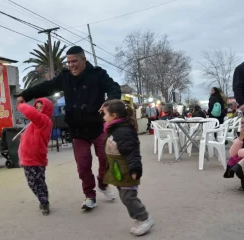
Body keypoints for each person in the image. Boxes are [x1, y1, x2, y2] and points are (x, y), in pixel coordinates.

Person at [17, 46, 121, 210]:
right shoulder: (65, 78)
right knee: (83, 165)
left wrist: (111, 105)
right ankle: (90, 196)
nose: (72, 65)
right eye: (69, 62)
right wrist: (25, 95)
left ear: (83, 60)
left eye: (75, 61)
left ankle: (103, 183)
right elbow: (47, 86)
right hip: (77, 130)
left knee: (106, 159)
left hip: (97, 126)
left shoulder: (98, 74)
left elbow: (114, 88)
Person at [102, 99, 154, 236]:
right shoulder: (115, 129)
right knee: (125, 197)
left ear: (113, 116)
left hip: (127, 171)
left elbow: (132, 152)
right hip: (119, 170)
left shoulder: (123, 131)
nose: (103, 117)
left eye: (105, 114)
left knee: (128, 197)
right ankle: (139, 218)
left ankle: (144, 218)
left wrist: (135, 169)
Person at [17, 98, 53, 215]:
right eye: (36, 107)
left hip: (37, 159)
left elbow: (30, 112)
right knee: (32, 183)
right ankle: (43, 200)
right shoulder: (34, 123)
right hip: (27, 159)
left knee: (39, 182)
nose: (37, 110)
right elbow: (32, 138)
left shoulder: (44, 120)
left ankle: (44, 202)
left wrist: (20, 105)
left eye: (40, 108)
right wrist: (23, 137)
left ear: (46, 109)